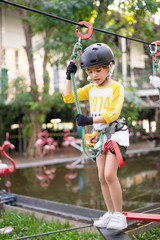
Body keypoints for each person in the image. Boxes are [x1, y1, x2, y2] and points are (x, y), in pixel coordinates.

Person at [63, 43, 129, 230]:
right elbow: (69, 97)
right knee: (101, 176)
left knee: (109, 174)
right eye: (90, 72)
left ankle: (119, 215)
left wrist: (89, 119)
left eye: (98, 70)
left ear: (109, 67)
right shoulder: (91, 88)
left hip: (116, 133)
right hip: (99, 136)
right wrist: (69, 76)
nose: (94, 76)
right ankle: (110, 213)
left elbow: (113, 114)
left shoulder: (117, 87)